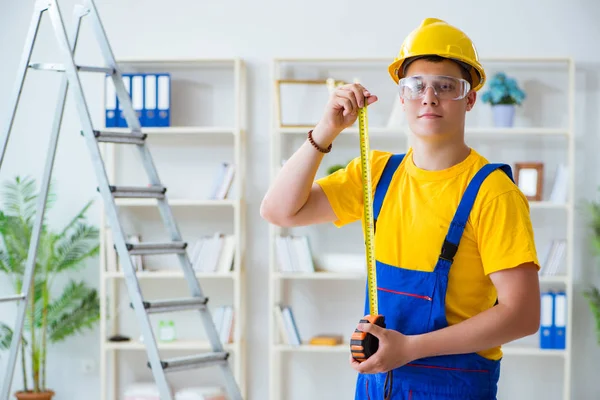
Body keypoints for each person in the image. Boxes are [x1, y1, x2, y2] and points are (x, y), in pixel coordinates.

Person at [260, 17, 541, 400]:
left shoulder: (493, 193)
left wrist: (409, 349)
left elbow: (523, 314)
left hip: (455, 387)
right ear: (402, 97)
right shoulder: (375, 174)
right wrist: (325, 130)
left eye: (446, 86)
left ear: (470, 98)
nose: (429, 96)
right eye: (415, 85)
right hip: (377, 383)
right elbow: (279, 211)